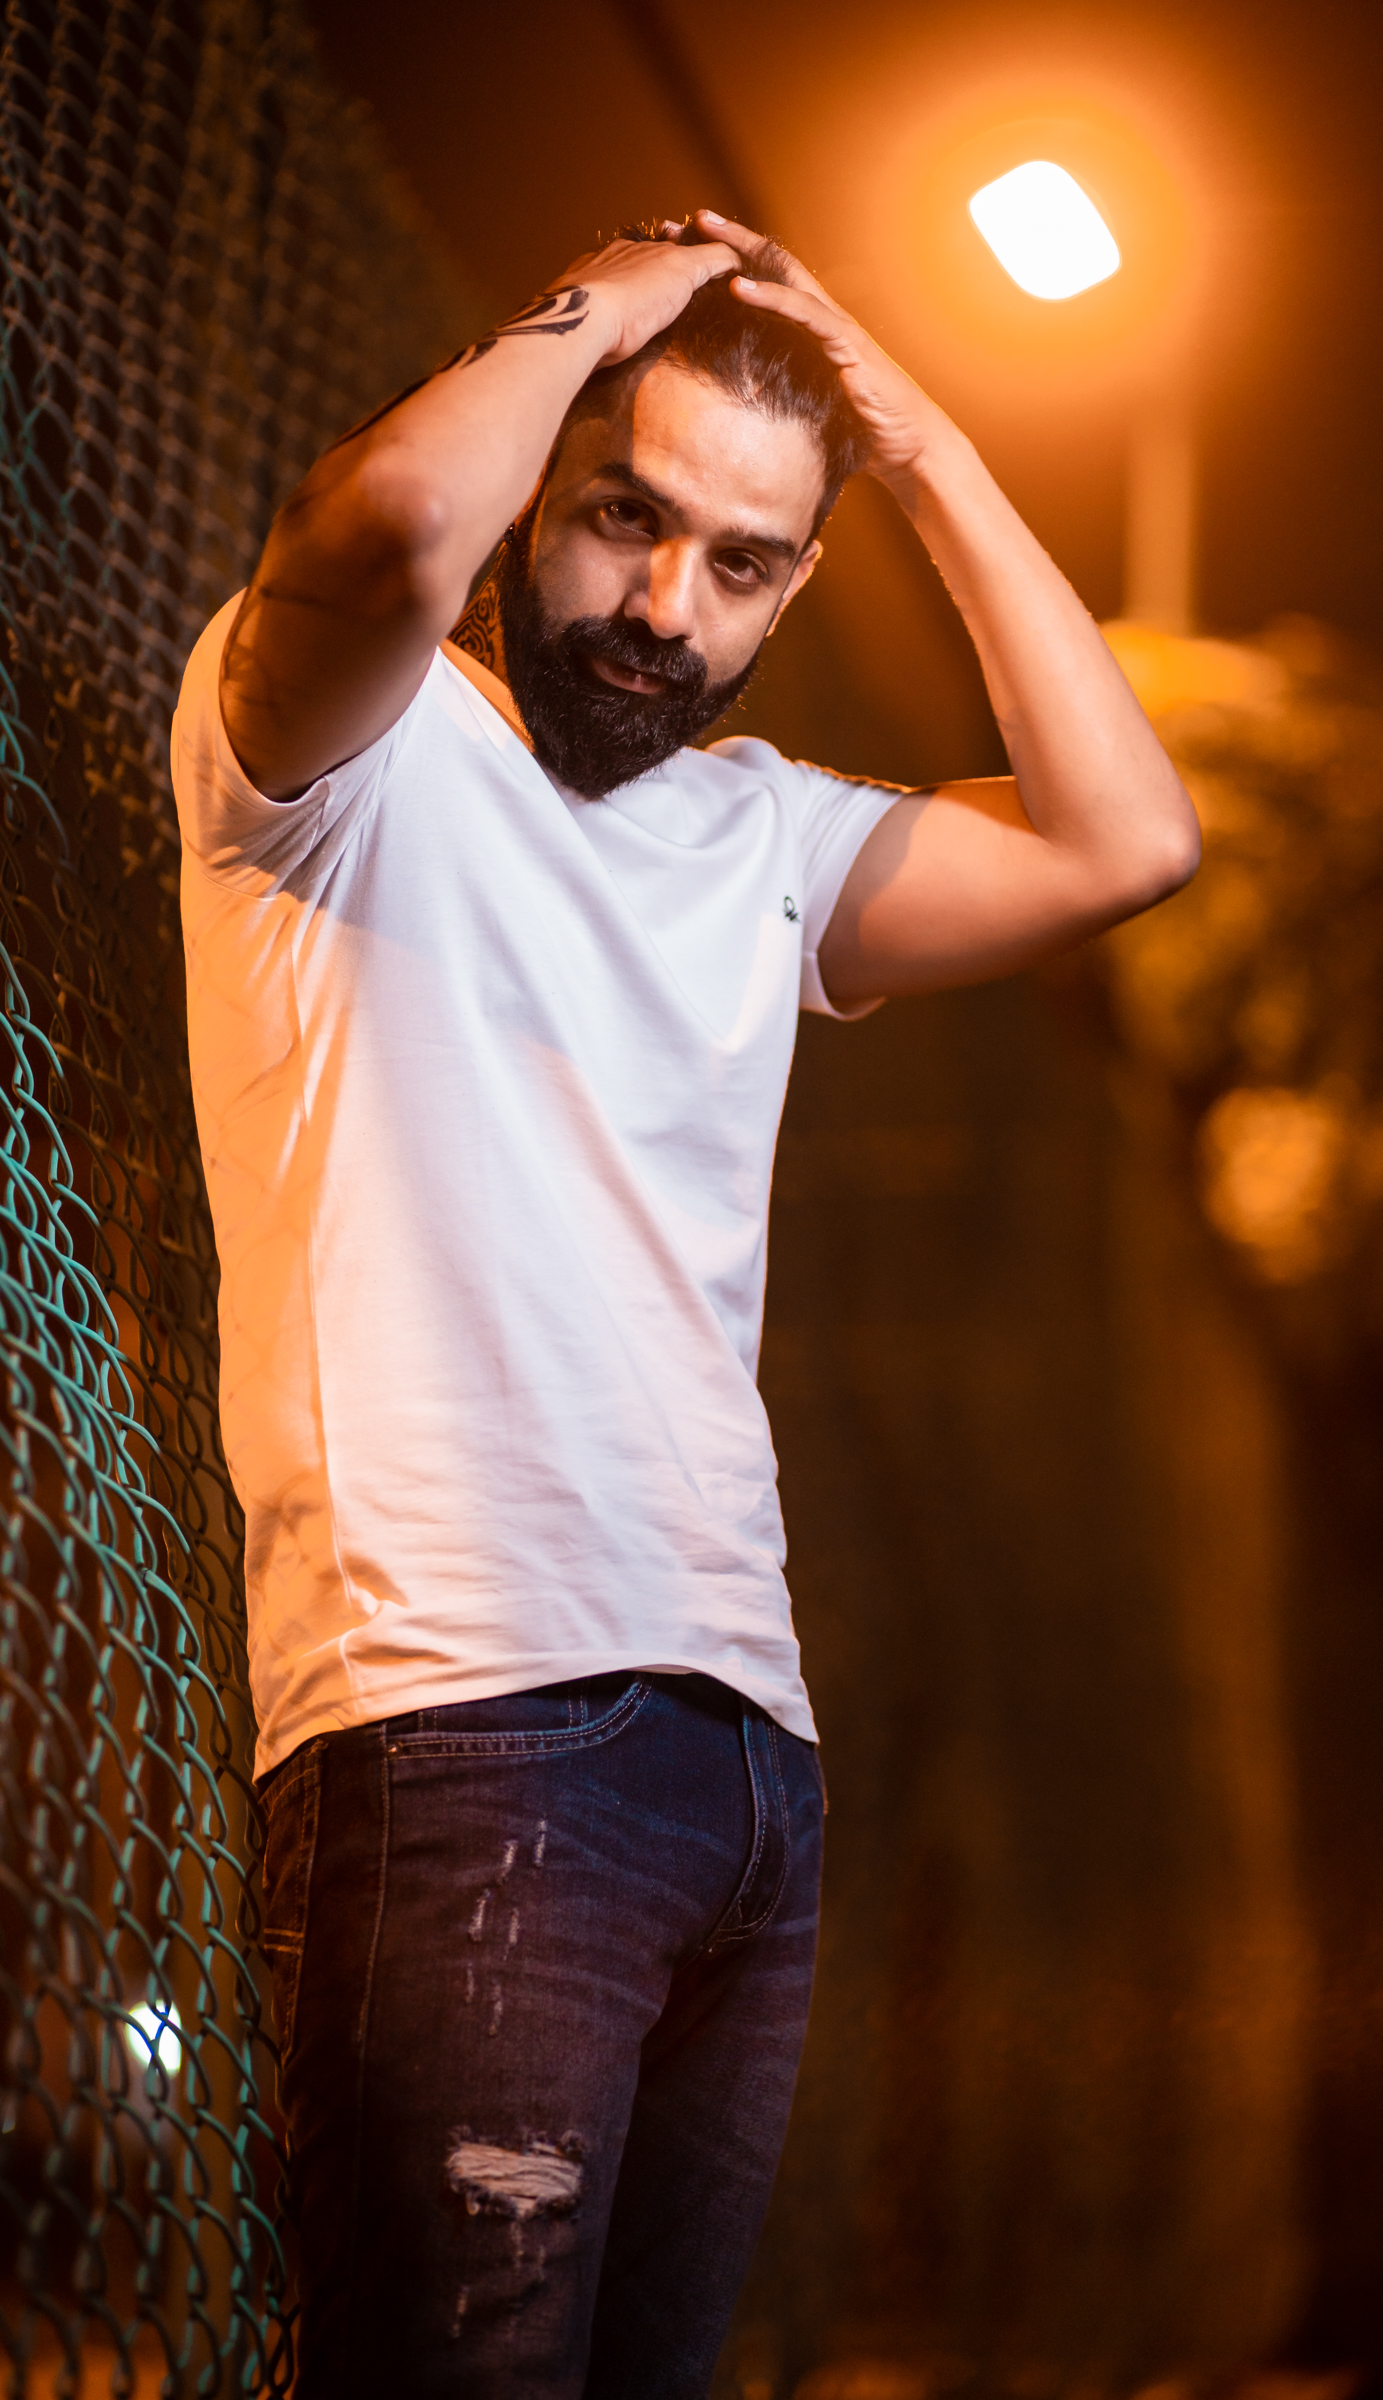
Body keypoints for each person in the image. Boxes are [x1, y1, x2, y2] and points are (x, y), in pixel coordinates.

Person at [170, 213, 1199, 2397]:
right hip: (462, 1721)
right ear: (539, 482)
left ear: (795, 586)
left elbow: (1127, 842)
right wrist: (609, 306)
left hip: (749, 1766)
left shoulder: (767, 836)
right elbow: (388, 526)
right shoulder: (347, 750)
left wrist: (920, 447)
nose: (664, 609)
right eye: (623, 518)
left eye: (741, 563)